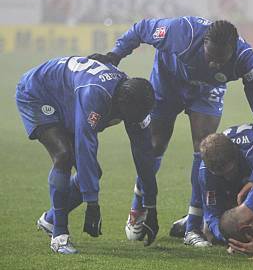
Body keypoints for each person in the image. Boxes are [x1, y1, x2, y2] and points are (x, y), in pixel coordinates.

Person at [88, 17, 253, 237]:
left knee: (204, 147)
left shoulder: (246, 58)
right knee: (155, 145)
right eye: (211, 57)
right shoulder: (181, 32)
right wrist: (115, 55)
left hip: (206, 92)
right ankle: (139, 207)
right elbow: (141, 29)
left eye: (221, 61)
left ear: (234, 49)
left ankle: (194, 223)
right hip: (168, 82)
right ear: (203, 45)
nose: (214, 65)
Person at [15, 56, 158, 254]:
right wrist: (93, 204)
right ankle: (59, 235)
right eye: (131, 118)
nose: (135, 121)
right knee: (64, 155)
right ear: (121, 106)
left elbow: (144, 154)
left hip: (65, 96)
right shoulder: (96, 95)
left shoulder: (135, 101)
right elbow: (85, 145)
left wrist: (151, 206)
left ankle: (50, 220)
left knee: (91, 173)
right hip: (37, 92)